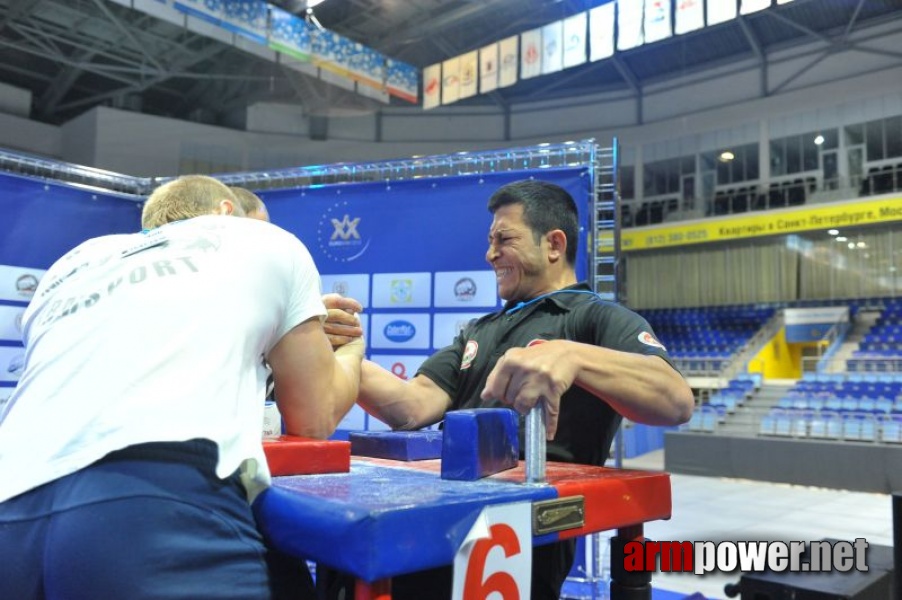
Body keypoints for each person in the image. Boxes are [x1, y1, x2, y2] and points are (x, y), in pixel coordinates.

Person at [0, 174, 364, 600]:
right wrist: (350, 349)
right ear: (228, 212)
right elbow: (315, 416)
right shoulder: (264, 241)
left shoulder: (77, 261)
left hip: (11, 503)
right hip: (152, 502)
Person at [331, 179, 694, 600]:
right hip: (435, 522)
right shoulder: (479, 329)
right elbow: (411, 406)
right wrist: (335, 354)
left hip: (515, 540)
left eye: (504, 240)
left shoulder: (595, 319)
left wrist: (572, 356)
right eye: (489, 241)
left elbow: (676, 399)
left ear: (554, 244)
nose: (489, 255)